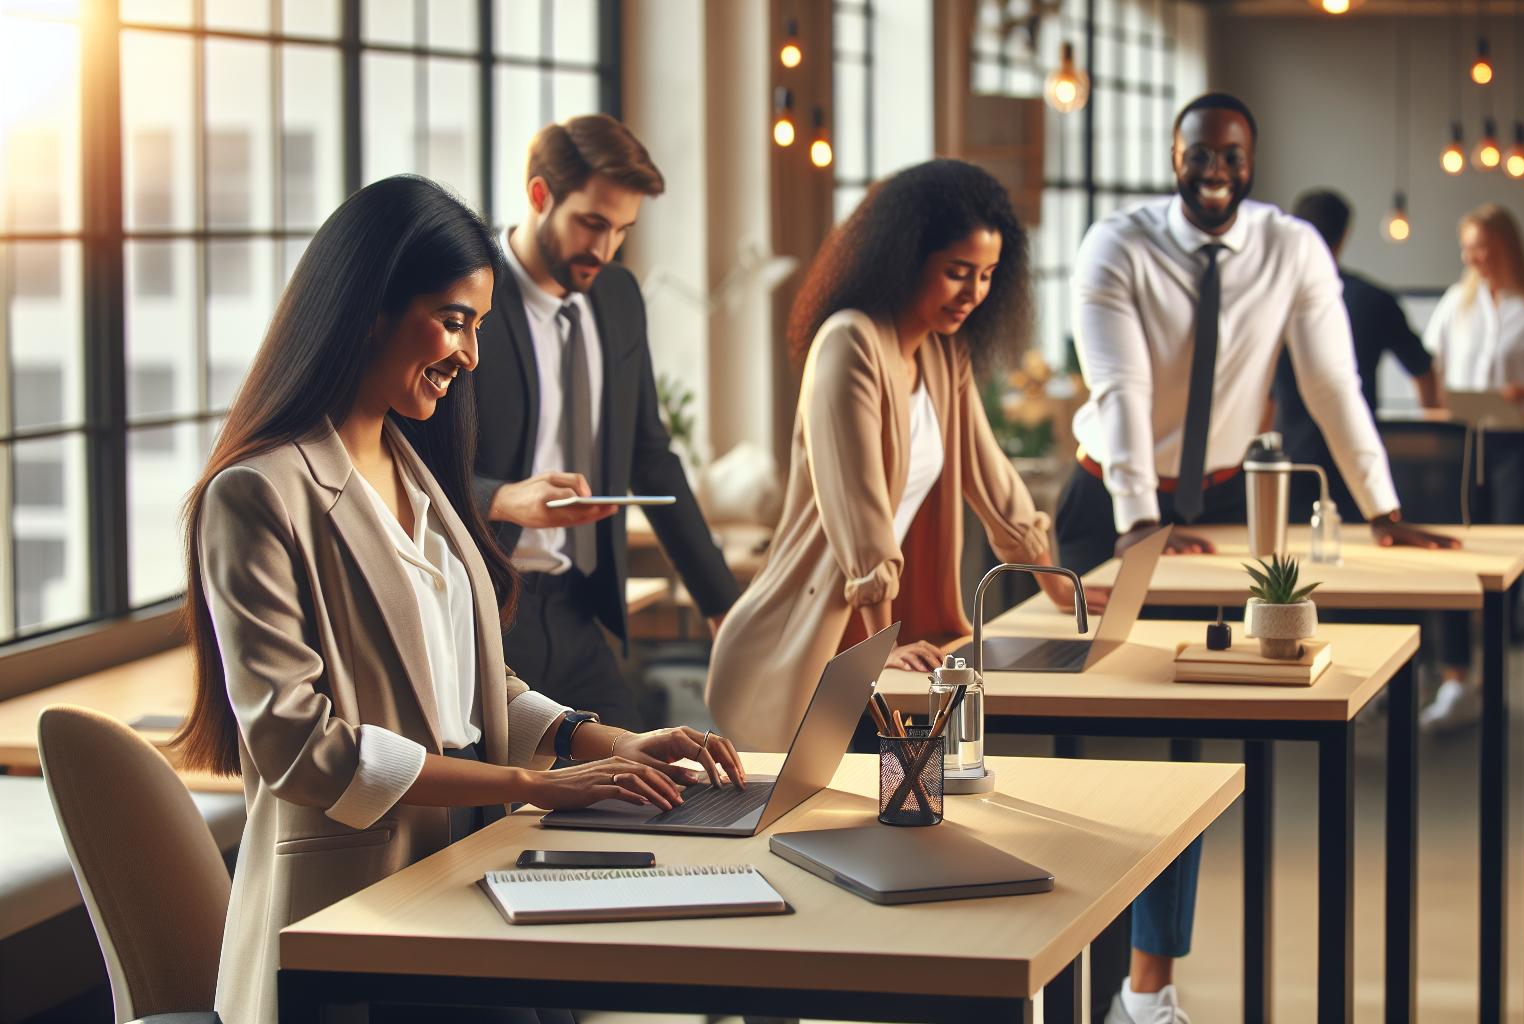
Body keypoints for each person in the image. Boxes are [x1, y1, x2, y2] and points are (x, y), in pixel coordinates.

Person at [170, 176, 745, 1024]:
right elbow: (300, 746)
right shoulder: (258, 496)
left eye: (476, 325)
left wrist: (606, 740)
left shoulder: (417, 471)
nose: (471, 355)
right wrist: (538, 785)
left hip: (471, 870)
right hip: (354, 909)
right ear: (368, 307)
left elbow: (473, 685)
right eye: (454, 320)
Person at [1063, 93, 1457, 1024]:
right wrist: (1135, 521)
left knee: (1187, 762)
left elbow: (1332, 383)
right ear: (1175, 154)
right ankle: (1067, 979)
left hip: (1223, 502)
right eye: (1200, 151)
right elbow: (1117, 390)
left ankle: (1143, 992)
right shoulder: (1115, 244)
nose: (1215, 168)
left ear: (1251, 161)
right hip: (1107, 504)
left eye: (1232, 155)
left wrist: (1385, 507)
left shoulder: (1291, 248)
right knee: (1101, 759)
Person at [704, 159, 1098, 754]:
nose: (975, 293)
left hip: (881, 645)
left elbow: (995, 485)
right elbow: (859, 523)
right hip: (812, 643)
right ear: (907, 258)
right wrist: (881, 645)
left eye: (988, 275)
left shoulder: (944, 354)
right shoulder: (849, 344)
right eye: (957, 272)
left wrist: (1057, 586)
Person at [472, 115, 740, 730]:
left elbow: (651, 454)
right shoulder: (472, 295)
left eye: (621, 230)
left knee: (639, 797)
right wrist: (506, 498)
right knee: (502, 819)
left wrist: (723, 602)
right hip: (485, 611)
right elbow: (408, 460)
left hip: (579, 612)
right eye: (591, 224)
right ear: (540, 196)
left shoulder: (617, 297)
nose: (604, 248)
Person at [1419, 203, 1524, 731]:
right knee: (1451, 563)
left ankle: (1493, 683)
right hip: (1463, 446)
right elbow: (1430, 366)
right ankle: (1454, 679)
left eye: (1481, 247)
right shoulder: (1455, 303)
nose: (1472, 257)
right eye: (1466, 247)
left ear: (1507, 247)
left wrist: (1522, 391)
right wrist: (1433, 409)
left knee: (1507, 573)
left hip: (1522, 449)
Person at [1270, 188, 1443, 522]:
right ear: (1345, 234)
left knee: (1287, 567)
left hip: (1291, 459)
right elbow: (1422, 368)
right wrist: (1435, 434)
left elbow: (1264, 396)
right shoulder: (1374, 299)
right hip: (1355, 459)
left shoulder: (1273, 299)